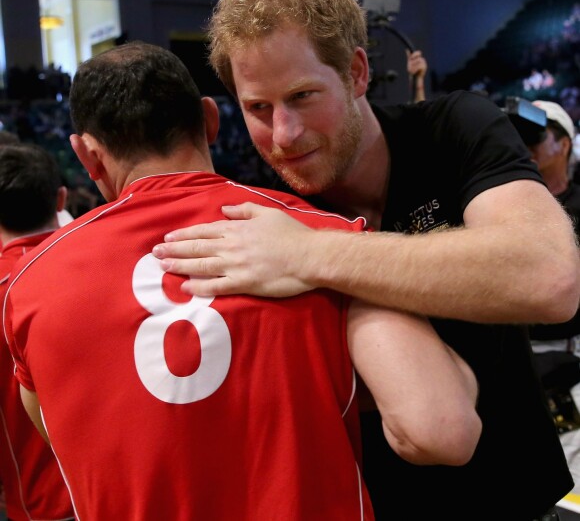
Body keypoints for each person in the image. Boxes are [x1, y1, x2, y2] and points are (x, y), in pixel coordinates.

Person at [151, 0, 580, 520]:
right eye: (258, 108)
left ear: (356, 72)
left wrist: (312, 254)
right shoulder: (260, 215)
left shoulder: (454, 129)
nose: (283, 135)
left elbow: (550, 279)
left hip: (519, 497)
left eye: (303, 95)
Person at [3, 41, 481, 520]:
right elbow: (438, 428)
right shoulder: (319, 237)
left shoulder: (28, 285)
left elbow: (61, 434)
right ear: (210, 120)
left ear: (86, 155)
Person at [0, 143, 74, 521]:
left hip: (42, 502)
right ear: (61, 198)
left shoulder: (5, 289)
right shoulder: (101, 263)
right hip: (122, 492)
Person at [525, 100, 580, 496]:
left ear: (563, 144)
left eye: (535, 135)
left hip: (573, 367)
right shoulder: (495, 207)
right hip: (518, 362)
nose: (523, 145)